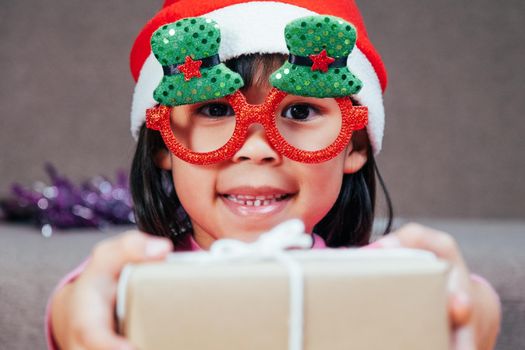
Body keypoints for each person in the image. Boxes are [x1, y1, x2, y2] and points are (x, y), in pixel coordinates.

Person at [46, 1, 501, 349]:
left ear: (354, 145)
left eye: (301, 110)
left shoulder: (371, 275)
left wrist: (474, 309)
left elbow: (464, 300)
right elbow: (82, 303)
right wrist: (76, 320)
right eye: (215, 108)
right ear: (165, 143)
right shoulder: (139, 275)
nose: (257, 149)